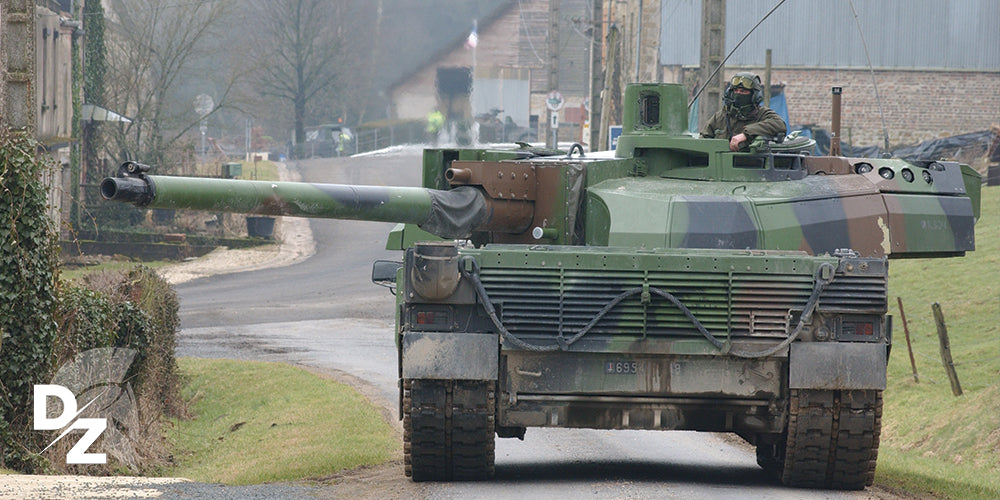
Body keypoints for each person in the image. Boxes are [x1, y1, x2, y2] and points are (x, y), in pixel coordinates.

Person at [701, 72, 787, 152]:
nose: (738, 94)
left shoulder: (761, 114)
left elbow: (780, 124)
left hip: (750, 165)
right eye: (736, 91)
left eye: (743, 91)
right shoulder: (722, 116)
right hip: (721, 165)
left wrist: (746, 134)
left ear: (754, 95)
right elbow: (704, 138)